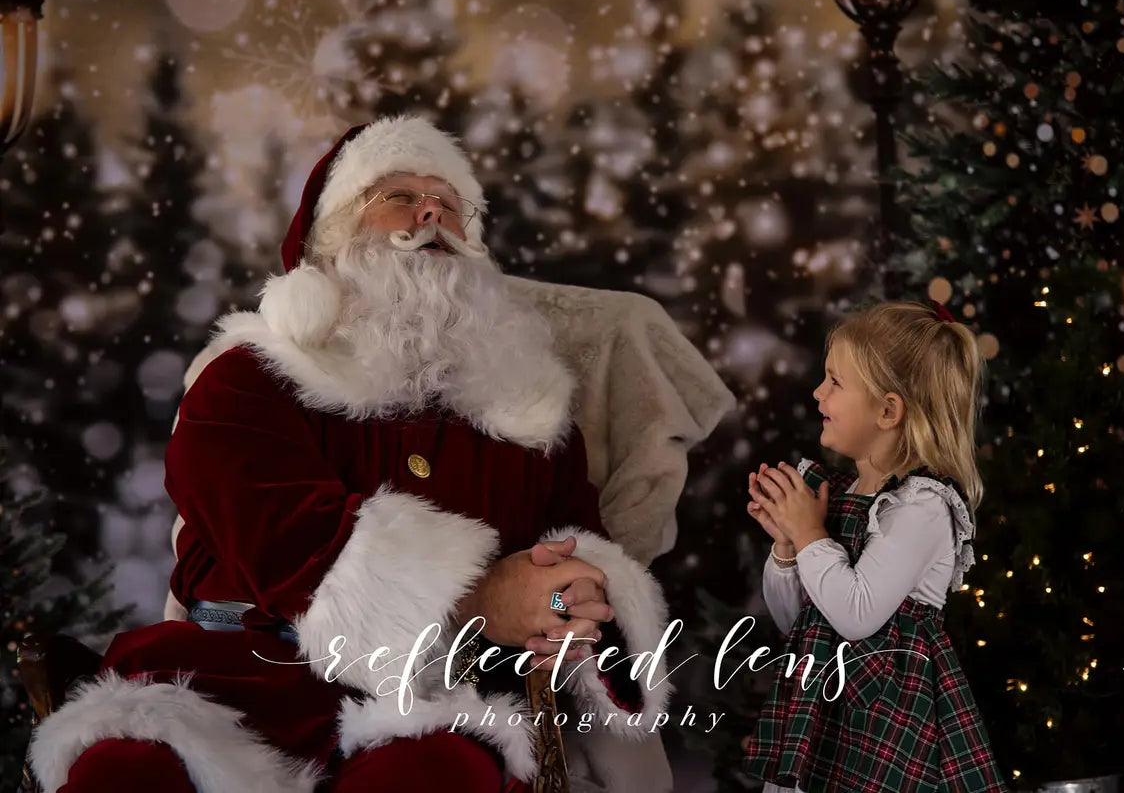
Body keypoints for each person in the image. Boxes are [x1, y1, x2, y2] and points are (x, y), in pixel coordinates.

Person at [28, 115, 671, 793]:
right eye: (397, 195)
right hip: (225, 687)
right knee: (128, 773)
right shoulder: (249, 376)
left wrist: (578, 594)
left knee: (433, 773)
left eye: (450, 203)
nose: (430, 213)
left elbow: (580, 549)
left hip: (430, 701)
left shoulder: (528, 410)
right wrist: (483, 596)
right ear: (330, 239)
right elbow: (287, 541)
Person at [741, 301, 1008, 792]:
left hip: (884, 724)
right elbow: (795, 622)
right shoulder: (841, 497)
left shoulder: (921, 506)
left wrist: (809, 535)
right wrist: (786, 546)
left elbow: (856, 613)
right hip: (827, 710)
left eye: (835, 382)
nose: (817, 392)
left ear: (887, 410)